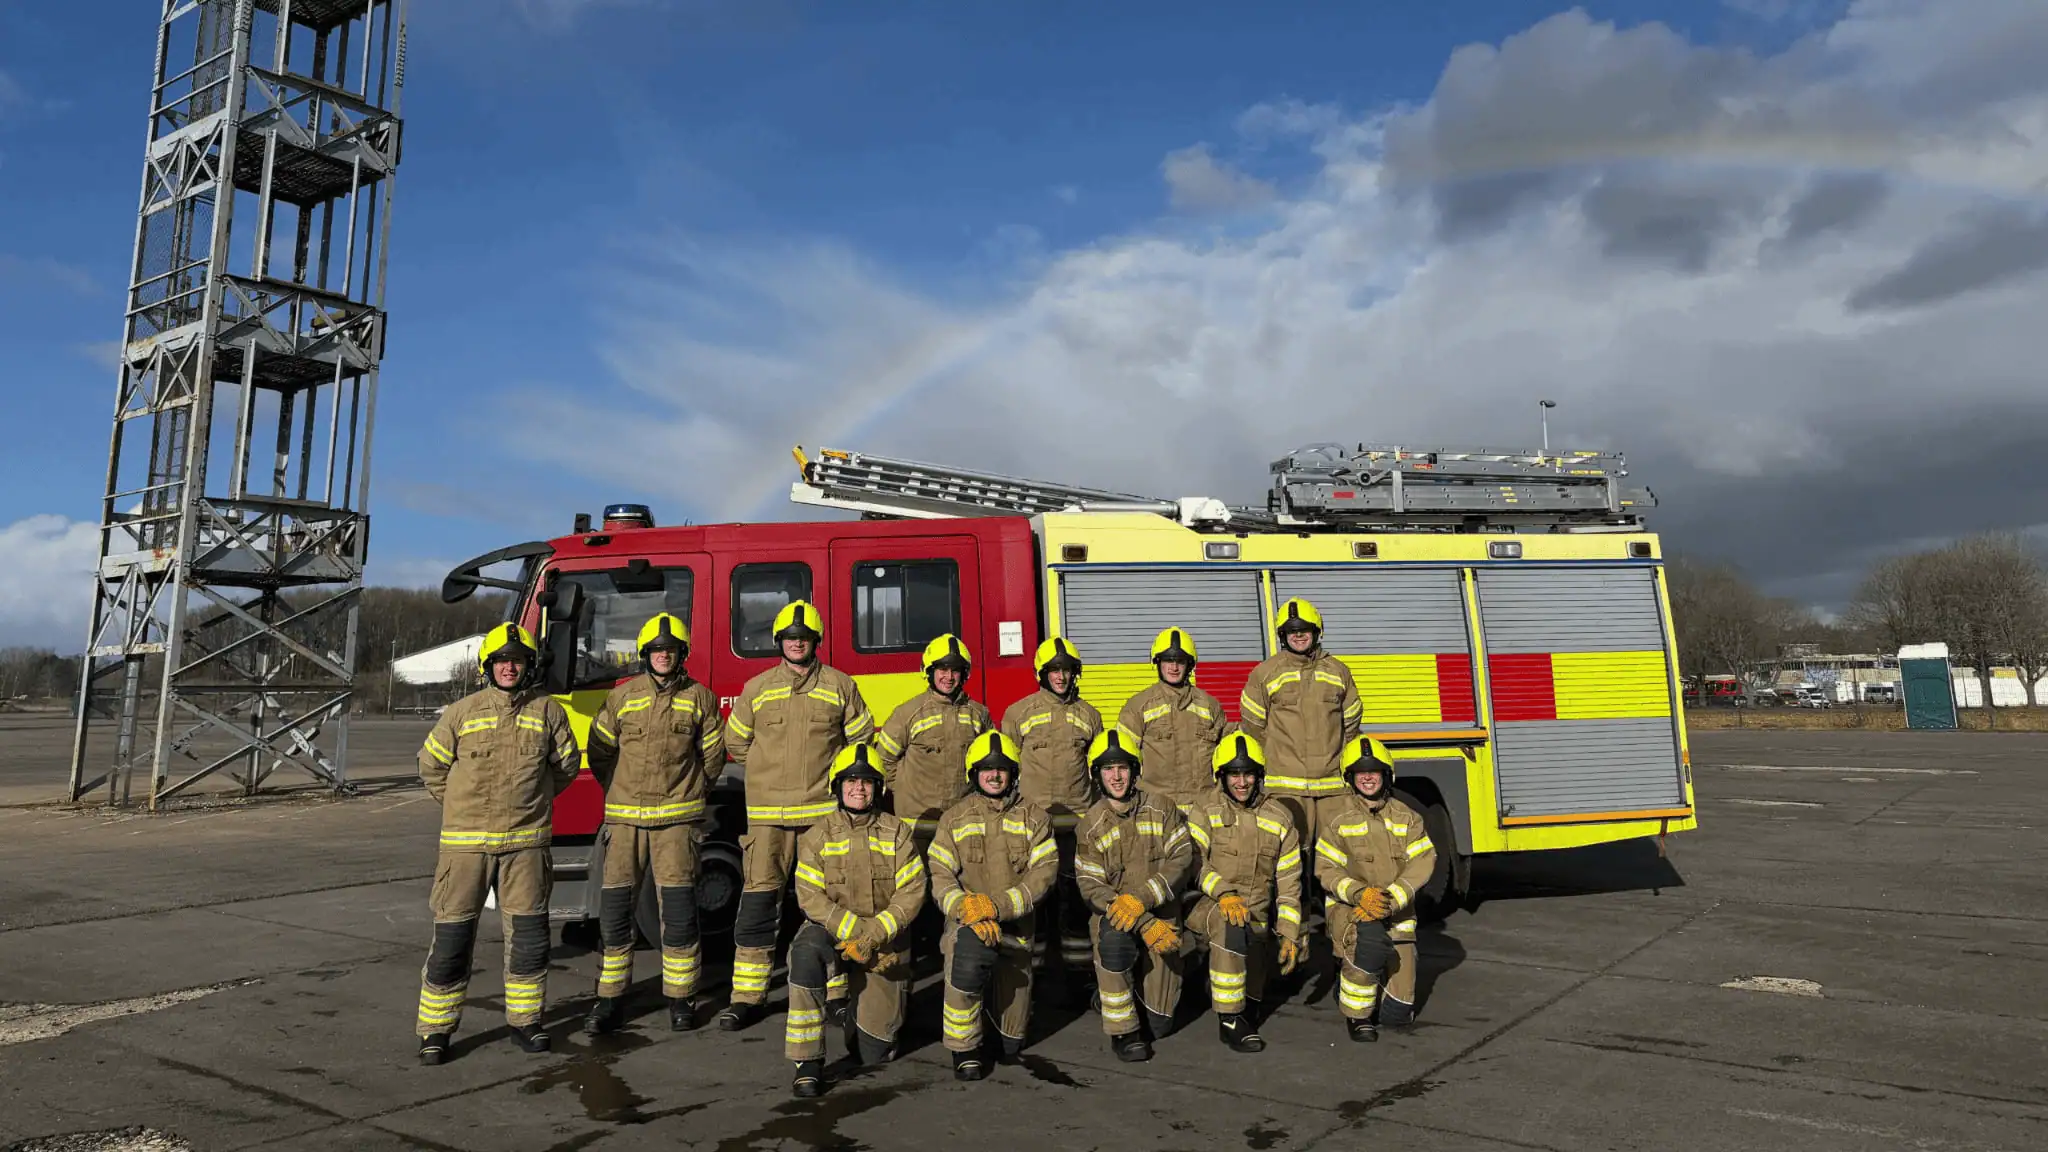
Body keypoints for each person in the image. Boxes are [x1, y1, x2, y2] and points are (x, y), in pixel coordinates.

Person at [413, 624, 581, 1065]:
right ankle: (436, 1031)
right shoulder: (461, 713)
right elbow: (431, 767)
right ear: (488, 666)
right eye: (502, 660)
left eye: (518, 660)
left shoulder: (548, 713)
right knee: (452, 940)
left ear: (528, 666)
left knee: (529, 941)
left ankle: (526, 1023)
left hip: (526, 847)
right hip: (465, 850)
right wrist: (460, 809)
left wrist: (531, 804)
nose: (510, 667)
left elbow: (565, 767)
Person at [719, 600, 874, 1031]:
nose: (796, 644)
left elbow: (860, 746)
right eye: (790, 638)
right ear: (779, 643)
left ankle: (837, 993)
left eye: (803, 639)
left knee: (830, 904)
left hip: (823, 817)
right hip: (768, 818)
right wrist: (771, 779)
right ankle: (747, 997)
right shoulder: (757, 688)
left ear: (815, 642)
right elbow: (739, 743)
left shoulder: (841, 686)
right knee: (758, 903)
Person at [580, 613, 723, 1035]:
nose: (664, 656)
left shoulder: (701, 698)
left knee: (678, 914)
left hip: (677, 825)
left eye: (671, 650)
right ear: (646, 655)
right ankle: (609, 998)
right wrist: (619, 791)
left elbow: (712, 757)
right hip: (625, 825)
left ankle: (681, 999)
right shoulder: (622, 697)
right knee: (615, 913)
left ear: (682, 655)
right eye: (658, 650)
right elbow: (601, 750)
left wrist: (691, 794)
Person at [784, 743, 927, 1096]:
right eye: (850, 781)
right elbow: (809, 898)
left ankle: (855, 1013)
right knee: (804, 951)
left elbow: (911, 894)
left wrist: (871, 938)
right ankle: (808, 1063)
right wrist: (853, 932)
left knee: (874, 1053)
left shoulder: (898, 833)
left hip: (882, 946)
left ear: (878, 788)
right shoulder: (818, 836)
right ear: (837, 787)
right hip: (833, 934)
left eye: (866, 782)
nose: (858, 788)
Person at [926, 731, 1059, 1081]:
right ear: (974, 775)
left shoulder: (1036, 818)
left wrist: (996, 907)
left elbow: (1043, 875)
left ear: (1013, 773)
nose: (994, 775)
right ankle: (964, 1048)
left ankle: (1000, 1028)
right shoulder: (953, 819)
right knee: (965, 956)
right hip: (967, 924)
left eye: (1001, 769)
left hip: (1016, 928)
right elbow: (940, 876)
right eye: (986, 770)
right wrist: (965, 909)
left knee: (1012, 1042)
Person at [1074, 729, 1193, 1062]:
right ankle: (1123, 1030)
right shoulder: (1090, 825)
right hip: (1117, 919)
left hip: (1162, 916)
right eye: (1108, 768)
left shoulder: (1162, 808)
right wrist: (1138, 918)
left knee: (1161, 1025)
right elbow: (1091, 886)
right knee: (1112, 942)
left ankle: (1142, 998)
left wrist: (1140, 900)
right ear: (1097, 774)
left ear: (1135, 770)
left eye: (1123, 767)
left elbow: (1181, 858)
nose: (1116, 776)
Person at [1182, 733, 1305, 1054]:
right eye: (1233, 774)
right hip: (1211, 910)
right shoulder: (1204, 809)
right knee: (1230, 926)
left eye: (1248, 773)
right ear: (1220, 776)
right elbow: (1194, 864)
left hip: (1258, 923)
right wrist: (1223, 894)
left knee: (1256, 999)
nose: (1242, 782)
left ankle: (1211, 981)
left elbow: (1290, 883)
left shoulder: (1280, 818)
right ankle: (1230, 1020)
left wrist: (1290, 933)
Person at [1314, 736, 1437, 1041]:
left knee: (1398, 1015)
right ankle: (1357, 1017)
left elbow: (1424, 860)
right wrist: (1359, 894)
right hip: (1352, 910)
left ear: (1387, 775)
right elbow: (1326, 870)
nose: (1367, 778)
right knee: (1367, 944)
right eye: (1359, 772)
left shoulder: (1408, 817)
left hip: (1396, 914)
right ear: (1350, 779)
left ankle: (1367, 979)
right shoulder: (1337, 821)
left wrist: (1393, 898)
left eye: (1374, 771)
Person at [1000, 636, 1102, 993]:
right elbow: (1005, 771)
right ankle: (1033, 972)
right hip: (1033, 827)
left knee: (1076, 900)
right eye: (1054, 670)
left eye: (1067, 670)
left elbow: (1098, 770)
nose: (1061, 677)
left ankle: (1079, 975)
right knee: (1035, 901)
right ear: (1041, 674)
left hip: (1077, 825)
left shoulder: (1089, 715)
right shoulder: (1018, 713)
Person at [1237, 597, 1360, 873]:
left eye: (1304, 629)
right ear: (1283, 636)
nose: (1299, 635)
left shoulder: (1338, 671)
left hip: (1332, 789)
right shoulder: (1266, 673)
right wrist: (1276, 759)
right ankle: (1297, 915)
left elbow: (1351, 722)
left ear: (1317, 632)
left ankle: (1338, 915)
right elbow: (1252, 727)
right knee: (1289, 862)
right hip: (1285, 789)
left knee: (1338, 858)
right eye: (1292, 631)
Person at [873, 633, 991, 842]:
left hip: (962, 825)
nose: (949, 677)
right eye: (942, 670)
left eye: (955, 670)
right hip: (916, 826)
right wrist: (904, 790)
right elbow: (883, 762)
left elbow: (989, 764)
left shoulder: (978, 714)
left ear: (964, 674)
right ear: (929, 672)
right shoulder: (907, 714)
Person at [1115, 627, 1227, 814]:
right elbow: (1122, 761)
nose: (1174, 668)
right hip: (1155, 810)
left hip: (1204, 810)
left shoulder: (1210, 706)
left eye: (1180, 661)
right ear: (1157, 663)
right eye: (1168, 660)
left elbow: (1225, 762)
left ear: (1189, 665)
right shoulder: (1138, 706)